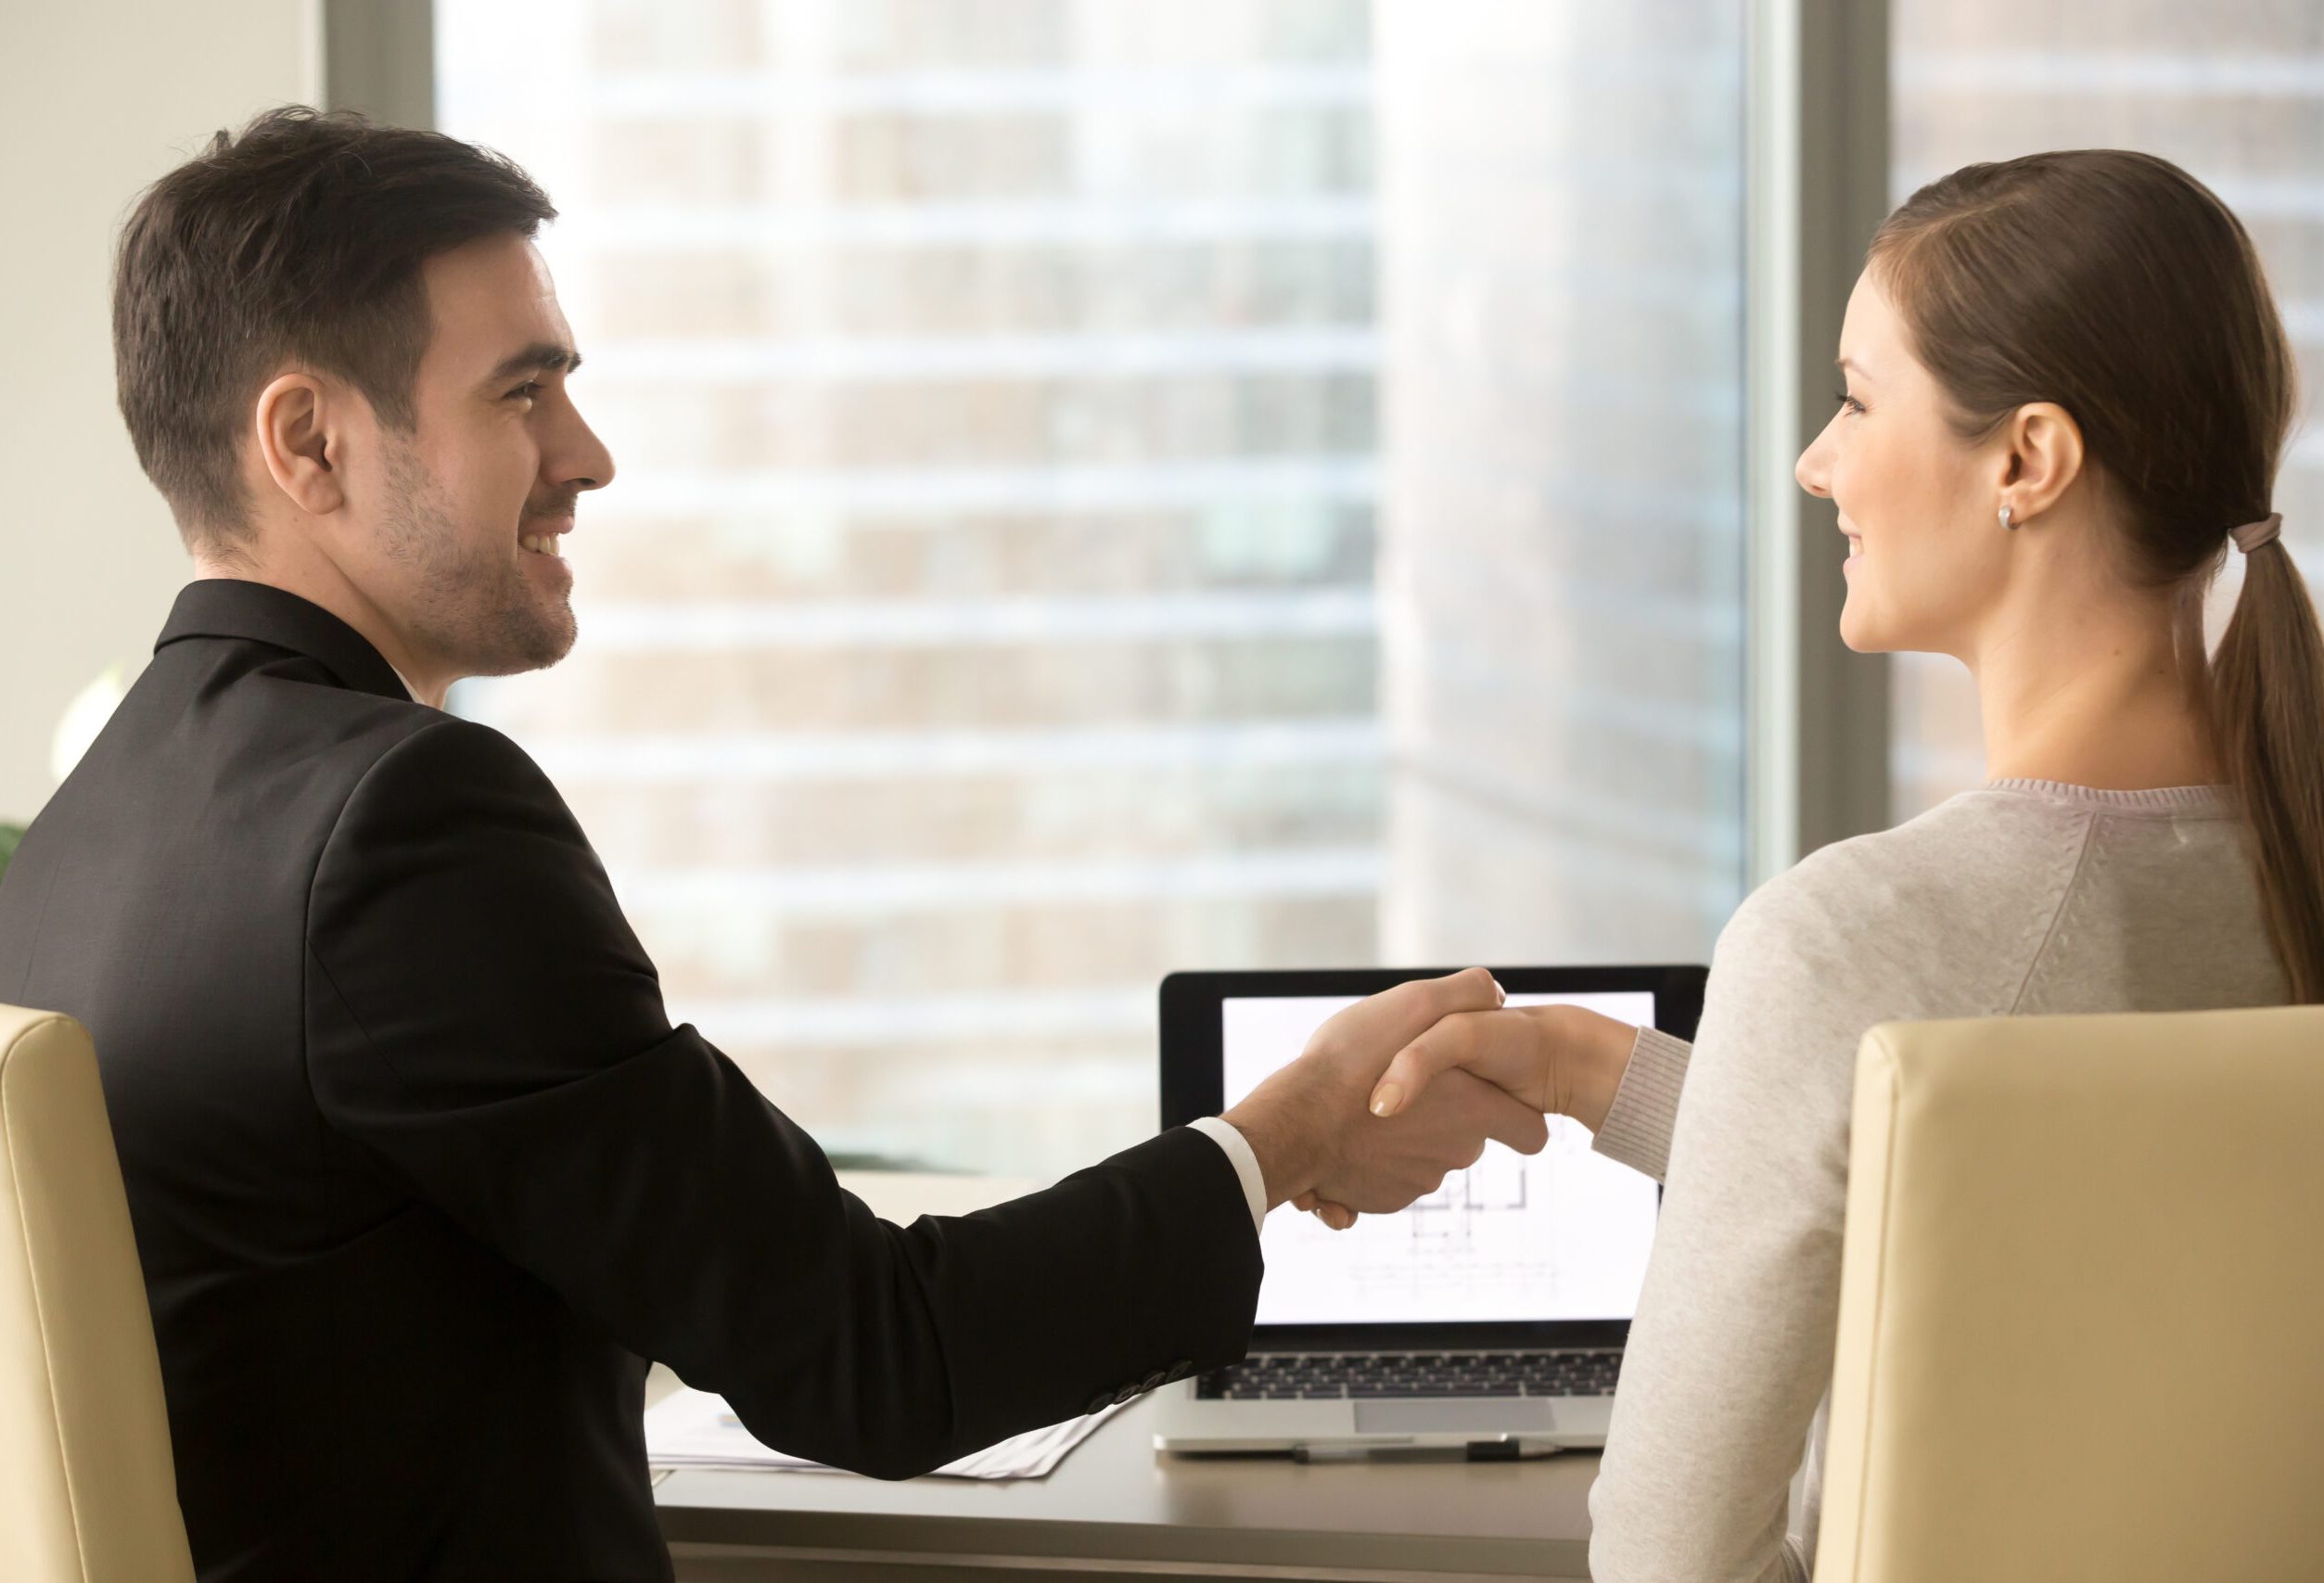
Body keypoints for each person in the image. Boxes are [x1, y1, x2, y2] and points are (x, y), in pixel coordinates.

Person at [0, 108, 1549, 1583]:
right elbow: (875, 1359)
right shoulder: (400, 823)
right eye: (520, 391)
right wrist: (1282, 1143)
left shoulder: (87, 827)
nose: (587, 454)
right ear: (309, 442)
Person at [1354, 148, 2318, 1581]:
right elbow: (2069, 1213)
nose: (1818, 460)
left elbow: (1667, 1561)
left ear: (2025, 460)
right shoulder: (2282, 871)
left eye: (1859, 401)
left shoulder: (1850, 940)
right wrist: (1609, 1078)